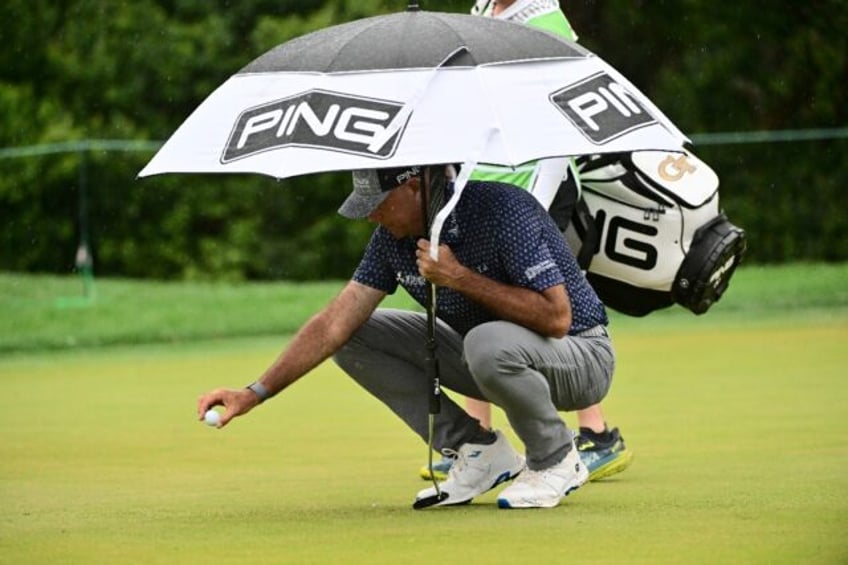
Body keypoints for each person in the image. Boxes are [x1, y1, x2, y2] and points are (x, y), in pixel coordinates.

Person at [197, 165, 616, 509]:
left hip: (581, 357)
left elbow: (557, 317)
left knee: (485, 342)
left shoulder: (501, 208)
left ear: (414, 187)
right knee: (355, 336)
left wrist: (460, 278)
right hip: (492, 358)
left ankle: (556, 458)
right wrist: (253, 393)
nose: (370, 215)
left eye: (378, 204)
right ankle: (479, 452)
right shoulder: (391, 241)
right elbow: (333, 324)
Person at [418, 0, 633, 483]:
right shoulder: (482, 10)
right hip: (493, 183)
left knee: (539, 304)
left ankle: (596, 433)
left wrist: (528, 202)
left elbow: (563, 118)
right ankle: (477, 435)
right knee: (481, 305)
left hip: (540, 186)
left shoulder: (544, 18)